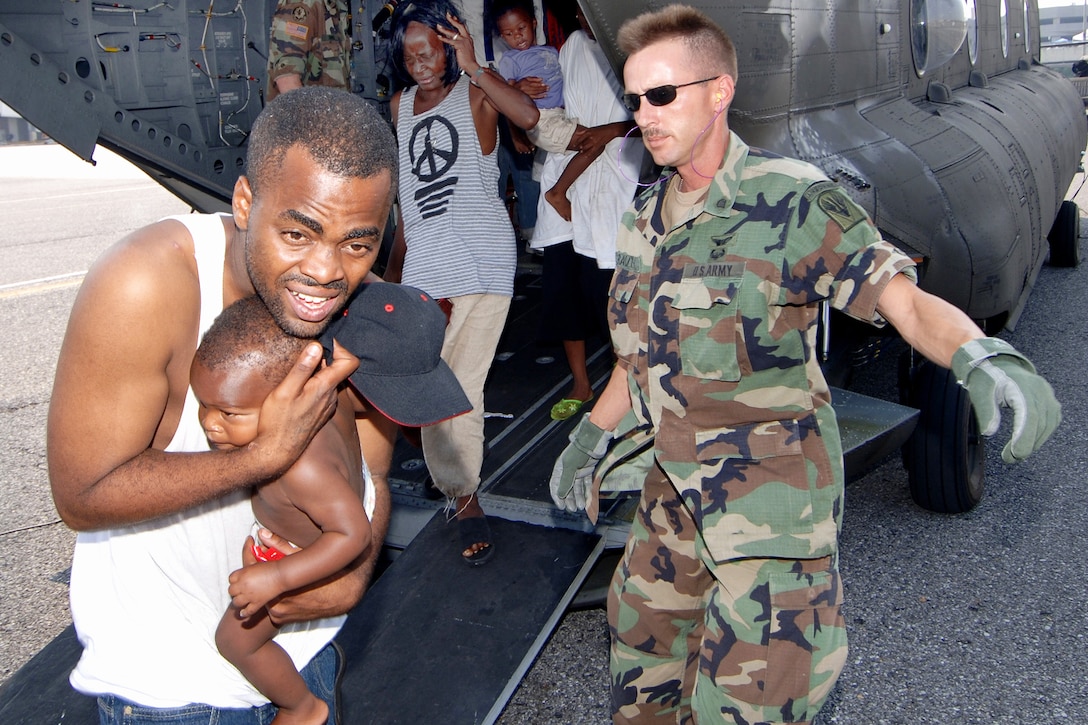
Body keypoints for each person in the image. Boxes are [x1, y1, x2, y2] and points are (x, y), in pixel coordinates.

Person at [548, 5, 1063, 724]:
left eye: (661, 95)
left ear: (719, 91)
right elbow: (639, 360)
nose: (643, 115)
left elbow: (903, 300)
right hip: (671, 509)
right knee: (641, 680)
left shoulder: (790, 199)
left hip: (767, 521)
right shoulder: (643, 222)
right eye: (634, 99)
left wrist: (976, 351)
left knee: (749, 707)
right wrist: (588, 438)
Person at [48, 86, 399, 723]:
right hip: (176, 692)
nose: (326, 271)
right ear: (244, 202)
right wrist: (266, 454)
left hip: (308, 656)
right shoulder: (149, 285)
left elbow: (371, 473)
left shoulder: (367, 307)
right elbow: (82, 493)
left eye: (357, 243)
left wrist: (357, 571)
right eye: (299, 232)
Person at [195, 286, 467, 725]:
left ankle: (302, 706)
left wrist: (277, 575)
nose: (212, 422)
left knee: (236, 641)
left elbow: (354, 530)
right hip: (300, 541)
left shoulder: (309, 452)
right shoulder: (334, 401)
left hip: (297, 559)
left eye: (227, 413)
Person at [382, 0, 539, 566]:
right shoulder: (399, 105)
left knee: (460, 384)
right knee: (423, 379)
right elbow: (407, 202)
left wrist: (475, 64)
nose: (420, 63)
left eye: (429, 51)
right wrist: (391, 275)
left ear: (448, 46)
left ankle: (463, 495)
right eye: (409, 55)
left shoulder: (475, 94)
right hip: (426, 263)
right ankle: (444, 461)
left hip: (481, 260)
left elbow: (527, 116)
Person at [527, 6, 643, 421]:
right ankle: (581, 381)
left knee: (609, 293)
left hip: (617, 170)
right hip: (570, 159)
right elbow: (549, 106)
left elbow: (653, 114)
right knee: (562, 289)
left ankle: (624, 386)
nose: (583, 11)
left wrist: (611, 131)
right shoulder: (572, 46)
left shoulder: (635, 44)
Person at [267, 0, 350, 101]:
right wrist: (306, 116)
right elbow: (287, 81)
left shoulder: (335, 7)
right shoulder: (304, 4)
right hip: (306, 114)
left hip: (330, 112)